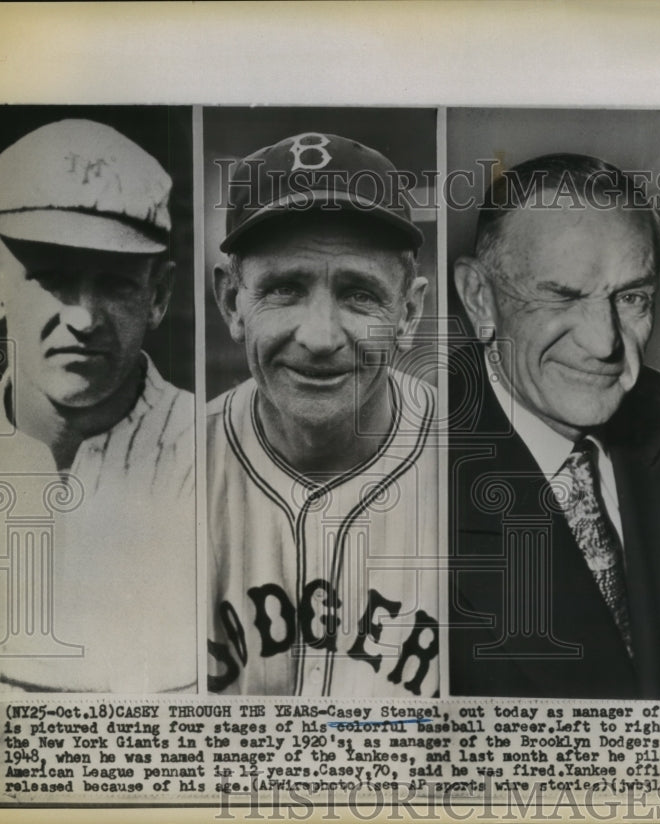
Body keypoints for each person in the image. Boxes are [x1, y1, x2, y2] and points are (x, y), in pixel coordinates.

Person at [0, 118, 196, 693]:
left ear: (159, 296)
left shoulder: (224, 457)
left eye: (116, 283)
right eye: (53, 279)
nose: (83, 318)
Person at [206, 132, 439, 697]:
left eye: (359, 294)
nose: (319, 337)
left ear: (408, 313)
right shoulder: (174, 467)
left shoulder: (485, 466)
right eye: (284, 289)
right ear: (233, 303)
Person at [448, 153, 660, 699]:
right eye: (562, 296)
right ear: (480, 298)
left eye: (632, 299)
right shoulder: (399, 465)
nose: (605, 344)